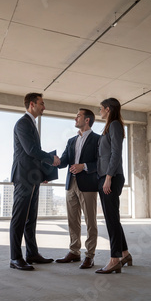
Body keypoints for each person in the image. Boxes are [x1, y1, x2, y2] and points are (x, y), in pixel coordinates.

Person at [9, 92, 61, 271]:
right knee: (19, 218)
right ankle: (15, 258)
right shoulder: (23, 123)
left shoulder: (31, 123)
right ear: (32, 104)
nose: (44, 106)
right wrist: (51, 159)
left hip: (32, 177)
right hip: (23, 177)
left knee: (31, 218)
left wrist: (42, 174)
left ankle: (32, 253)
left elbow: (32, 154)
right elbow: (31, 150)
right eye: (41, 103)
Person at [56, 109, 100, 269]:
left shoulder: (98, 139)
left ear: (87, 120)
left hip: (88, 185)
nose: (75, 118)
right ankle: (74, 251)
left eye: (78, 116)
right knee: (72, 220)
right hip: (71, 184)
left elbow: (101, 162)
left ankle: (90, 255)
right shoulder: (71, 140)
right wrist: (49, 162)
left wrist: (85, 166)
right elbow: (63, 161)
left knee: (90, 221)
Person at [95, 97, 132, 274]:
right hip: (106, 176)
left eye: (101, 108)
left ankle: (114, 259)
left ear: (108, 109)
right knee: (112, 218)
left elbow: (116, 152)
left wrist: (108, 177)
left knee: (111, 219)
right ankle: (124, 254)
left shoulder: (115, 125)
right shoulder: (110, 126)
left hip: (111, 176)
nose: (99, 111)